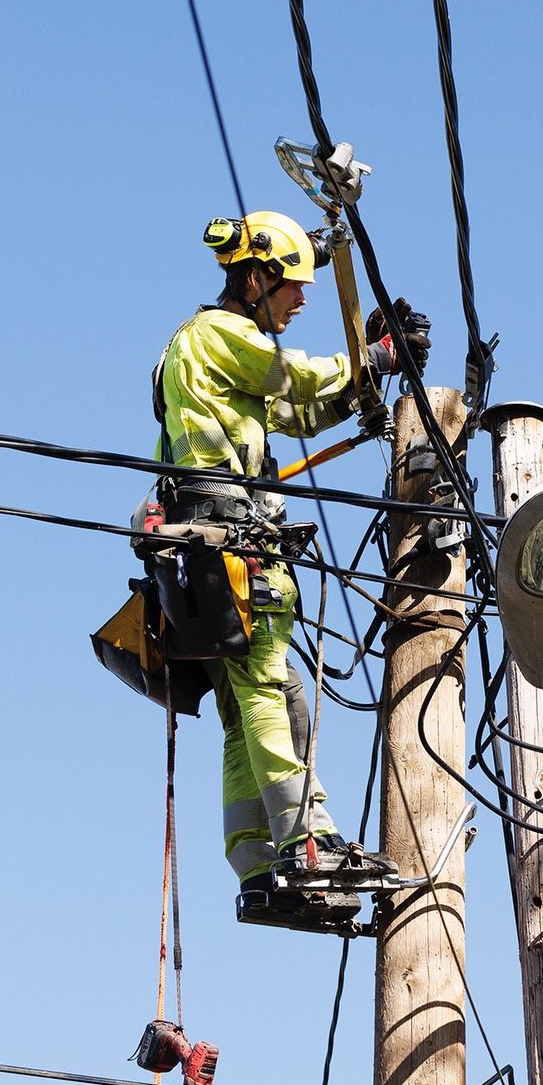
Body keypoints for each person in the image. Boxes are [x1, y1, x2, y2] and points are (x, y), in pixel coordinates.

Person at [151, 208, 430, 929]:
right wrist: (379, 358)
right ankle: (305, 843)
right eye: (291, 287)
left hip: (210, 554)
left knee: (251, 706)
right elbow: (295, 380)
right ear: (253, 279)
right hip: (230, 545)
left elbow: (300, 410)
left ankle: (258, 858)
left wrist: (366, 371)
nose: (302, 300)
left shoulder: (213, 349)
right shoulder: (217, 335)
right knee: (275, 692)